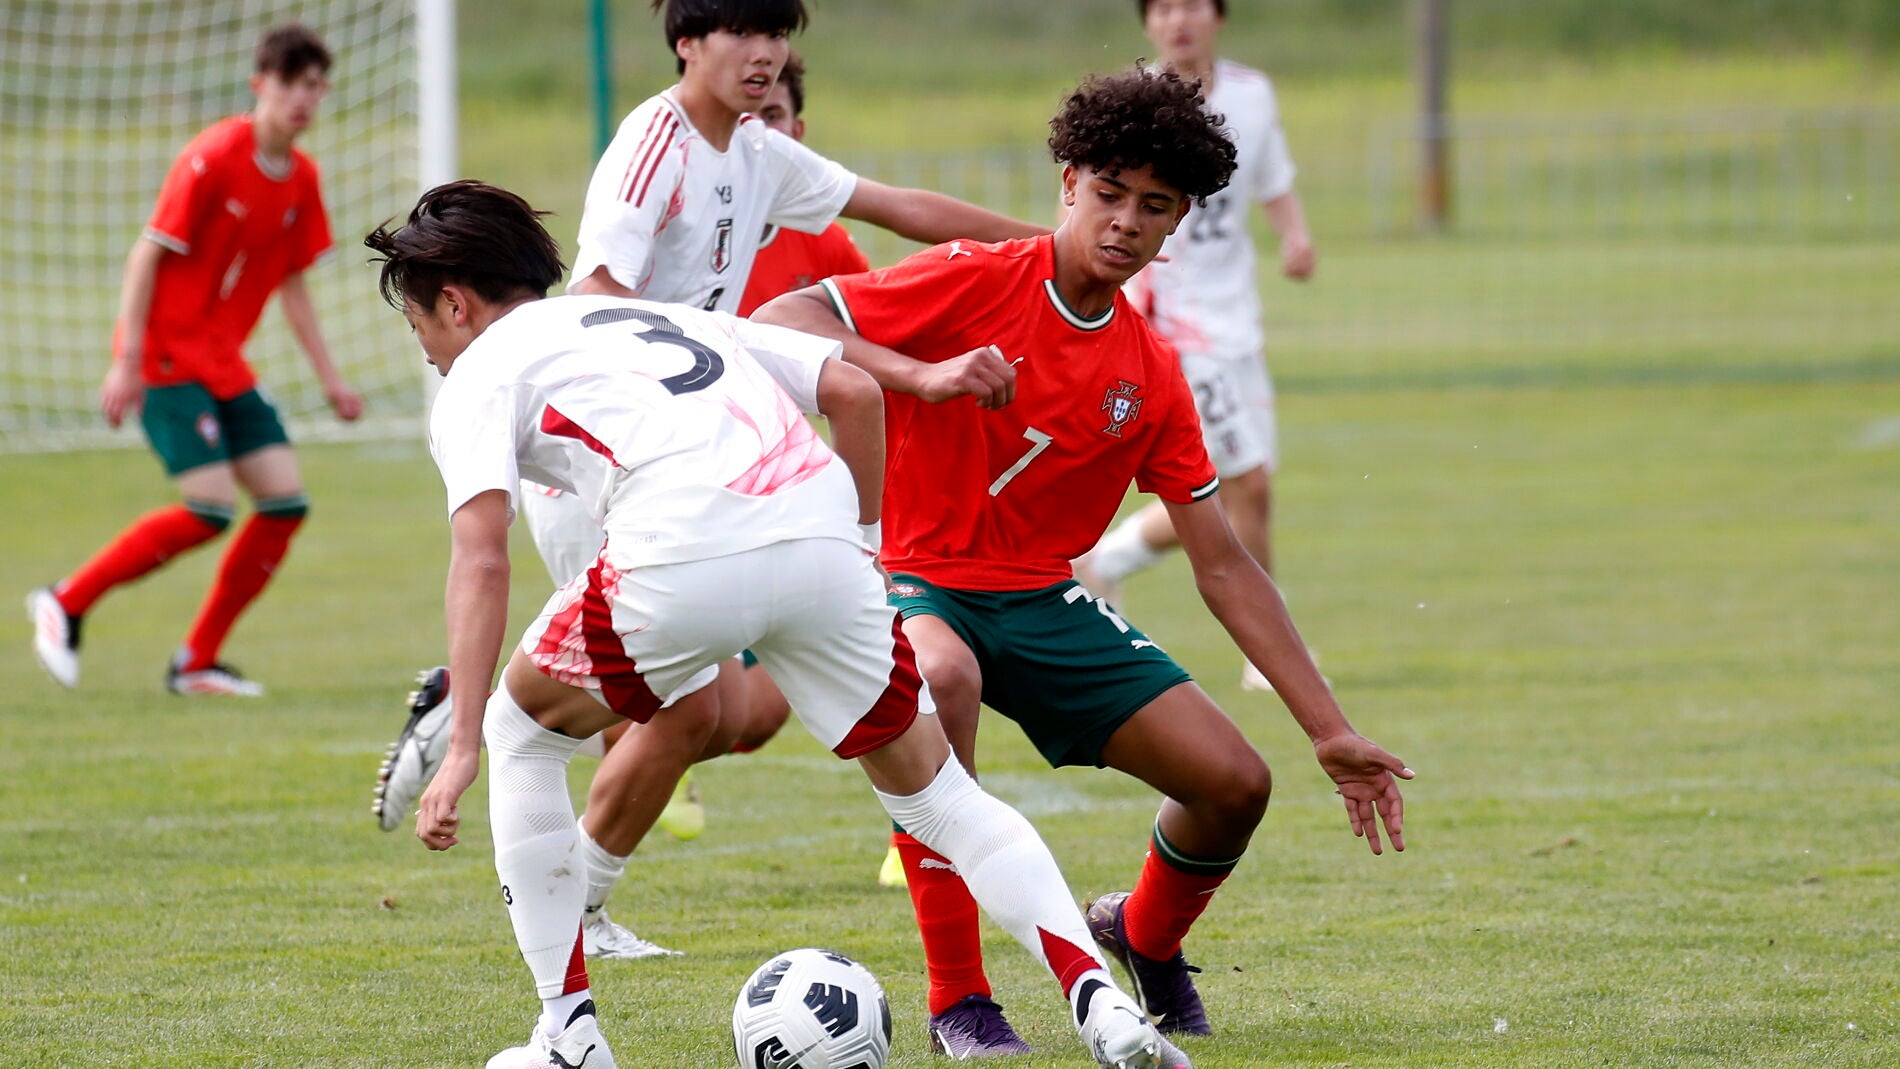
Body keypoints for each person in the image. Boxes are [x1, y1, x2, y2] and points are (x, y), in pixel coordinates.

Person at [363, 179, 1185, 1069]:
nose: (430, 352)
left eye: (421, 327)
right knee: (940, 795)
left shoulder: (481, 371)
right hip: (820, 538)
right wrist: (863, 549)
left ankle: (568, 1040)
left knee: (520, 731)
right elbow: (853, 390)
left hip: (678, 550)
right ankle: (1102, 1005)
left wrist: (461, 748)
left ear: (455, 303)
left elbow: (481, 558)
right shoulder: (662, 317)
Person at [754, 67, 1409, 1058]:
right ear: (1068, 184)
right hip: (915, 577)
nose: (1126, 221)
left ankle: (1142, 934)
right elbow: (782, 320)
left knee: (1234, 783)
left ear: (1177, 222)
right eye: (1109, 193)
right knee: (941, 676)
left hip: (1044, 599)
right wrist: (918, 374)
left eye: (1155, 206)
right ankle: (959, 1001)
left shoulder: (1149, 369)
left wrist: (1330, 729)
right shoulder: (977, 274)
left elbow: (1222, 564)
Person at [375, 0, 1046, 957]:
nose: (764, 53)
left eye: (776, 33)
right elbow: (596, 295)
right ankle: (546, 852)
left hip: (700, 460)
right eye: (740, 31)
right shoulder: (654, 144)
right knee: (686, 708)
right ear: (686, 43)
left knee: (734, 713)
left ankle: (495, 737)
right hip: (617, 462)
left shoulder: (760, 149)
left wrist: (1048, 254)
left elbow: (901, 208)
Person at [26, 23, 361, 697]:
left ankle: (196, 660)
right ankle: (65, 600)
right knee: (209, 507)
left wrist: (332, 379)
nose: (302, 99)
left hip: (222, 361)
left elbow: (293, 283)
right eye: (289, 84)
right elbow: (146, 255)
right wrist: (127, 360)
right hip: (165, 356)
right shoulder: (213, 156)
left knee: (284, 501)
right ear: (259, 85)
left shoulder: (303, 178)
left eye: (313, 86)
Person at [1078, 0, 1317, 693]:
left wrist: (1295, 236)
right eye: (1163, 8)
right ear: (1147, 21)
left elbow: (1273, 182)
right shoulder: (1134, 106)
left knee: (1239, 490)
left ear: (1219, 16)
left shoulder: (1252, 94)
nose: (1178, 21)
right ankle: (1268, 653)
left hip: (1237, 319)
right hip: (1175, 322)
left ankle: (1105, 562)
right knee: (1248, 482)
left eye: (1191, 6)